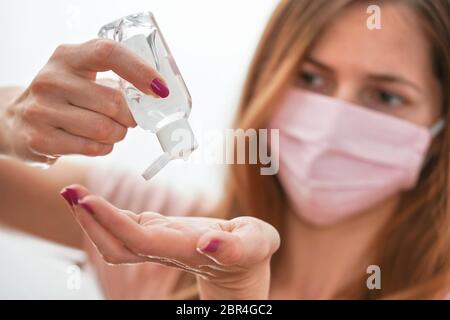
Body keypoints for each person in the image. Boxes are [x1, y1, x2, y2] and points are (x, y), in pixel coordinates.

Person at [0, 0, 449, 299]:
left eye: (386, 96)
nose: (331, 121)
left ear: (439, 128)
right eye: (311, 78)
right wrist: (13, 123)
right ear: (266, 82)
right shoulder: (155, 231)